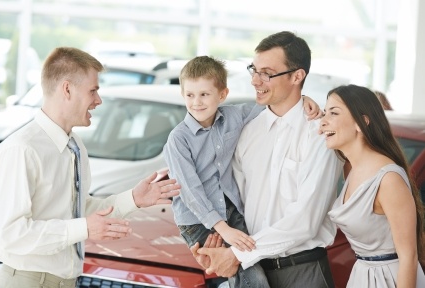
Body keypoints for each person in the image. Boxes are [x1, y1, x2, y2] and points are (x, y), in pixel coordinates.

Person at [0, 47, 180, 288]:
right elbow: (11, 234)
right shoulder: (22, 149)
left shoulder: (74, 145)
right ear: (67, 89)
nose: (98, 100)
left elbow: (80, 210)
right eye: (93, 91)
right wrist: (84, 228)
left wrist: (134, 199)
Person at [190, 31, 344, 288]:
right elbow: (234, 202)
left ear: (297, 76)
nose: (255, 81)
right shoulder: (248, 130)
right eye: (254, 70)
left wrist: (237, 254)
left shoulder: (320, 134)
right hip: (252, 272)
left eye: (267, 73)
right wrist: (215, 246)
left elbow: (305, 221)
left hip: (302, 272)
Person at [163, 55, 322, 287]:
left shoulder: (234, 117)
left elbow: (276, 103)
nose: (196, 102)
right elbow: (190, 192)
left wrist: (304, 99)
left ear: (222, 94)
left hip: (231, 212)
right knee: (252, 279)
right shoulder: (178, 139)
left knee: (251, 269)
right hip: (197, 219)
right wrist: (223, 229)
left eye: (204, 94)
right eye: (190, 95)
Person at [320, 84, 425, 287]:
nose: (323, 122)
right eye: (325, 112)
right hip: (362, 275)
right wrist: (306, 103)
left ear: (362, 122)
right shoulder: (350, 168)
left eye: (333, 113)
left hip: (390, 279)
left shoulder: (388, 179)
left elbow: (409, 257)